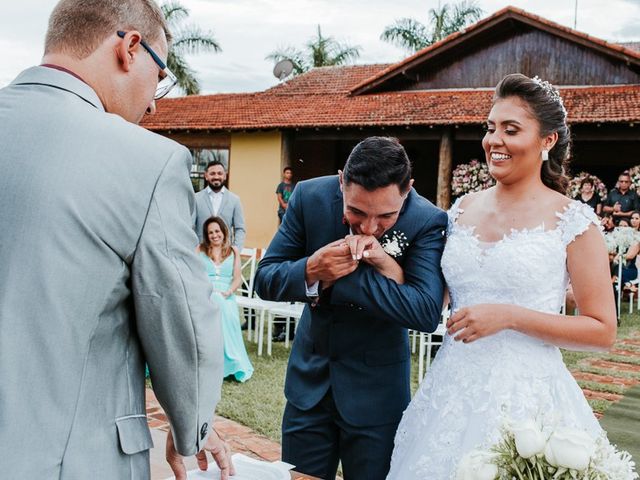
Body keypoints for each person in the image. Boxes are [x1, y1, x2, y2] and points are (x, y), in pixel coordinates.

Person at [0, 1, 233, 479]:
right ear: (129, 47)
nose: (152, 103)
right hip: (66, 459)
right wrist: (192, 423)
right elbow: (185, 325)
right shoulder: (147, 162)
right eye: (160, 74)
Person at [387, 74, 618, 479]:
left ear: (547, 141)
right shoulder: (460, 210)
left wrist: (510, 316)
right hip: (449, 393)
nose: (495, 140)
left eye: (511, 130)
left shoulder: (573, 222)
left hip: (527, 403)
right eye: (491, 128)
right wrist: (381, 261)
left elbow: (602, 329)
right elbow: (434, 300)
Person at [254, 136, 448, 480]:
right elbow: (266, 279)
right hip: (308, 388)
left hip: (378, 396)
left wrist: (342, 276)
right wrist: (312, 269)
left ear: (408, 190)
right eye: (356, 211)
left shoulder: (428, 220)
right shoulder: (309, 197)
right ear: (342, 180)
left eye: (386, 216)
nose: (369, 227)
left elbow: (425, 310)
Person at [198, 216, 254, 382]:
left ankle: (230, 362)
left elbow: (237, 278)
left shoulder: (233, 251)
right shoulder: (199, 249)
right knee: (214, 302)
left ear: (223, 232)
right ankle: (207, 363)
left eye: (217, 231)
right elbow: (191, 271)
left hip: (225, 294)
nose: (214, 235)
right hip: (204, 293)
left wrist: (229, 291)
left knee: (221, 304)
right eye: (210, 233)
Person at [194, 160, 246, 249]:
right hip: (201, 253)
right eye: (212, 173)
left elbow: (240, 229)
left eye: (219, 173)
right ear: (206, 176)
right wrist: (195, 249)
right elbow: (190, 227)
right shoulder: (195, 198)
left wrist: (235, 251)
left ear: (225, 176)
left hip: (225, 254)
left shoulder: (234, 200)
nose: (216, 176)